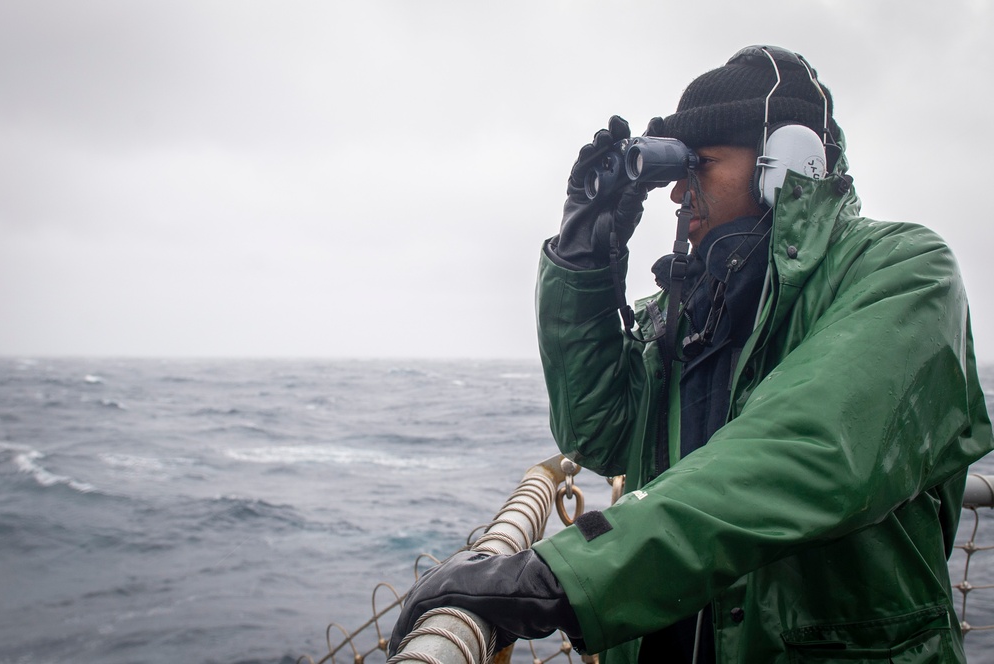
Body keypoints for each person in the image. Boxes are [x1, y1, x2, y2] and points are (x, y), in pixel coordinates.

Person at [388, 45, 994, 663]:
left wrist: (558, 577)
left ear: (784, 163)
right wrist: (584, 260)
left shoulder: (904, 272)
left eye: (698, 164)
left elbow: (812, 447)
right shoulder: (686, 310)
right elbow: (598, 437)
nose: (678, 192)